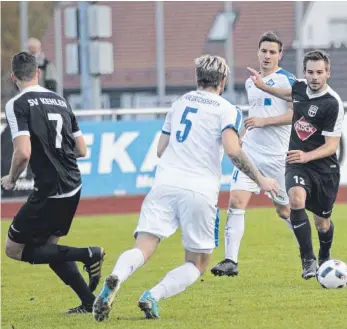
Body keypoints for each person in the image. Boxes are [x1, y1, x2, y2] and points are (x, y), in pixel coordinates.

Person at [92, 54, 280, 322]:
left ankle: (117, 277)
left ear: (197, 78)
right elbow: (232, 150)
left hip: (164, 184)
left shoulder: (180, 103)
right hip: (199, 190)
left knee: (143, 246)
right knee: (198, 263)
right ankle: (153, 295)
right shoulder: (227, 109)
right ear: (223, 81)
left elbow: (159, 149)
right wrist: (260, 179)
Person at [1, 52, 105, 313]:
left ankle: (88, 254)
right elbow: (82, 149)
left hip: (50, 189)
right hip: (73, 185)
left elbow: (22, 152)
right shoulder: (60, 99)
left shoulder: (17, 104)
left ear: (14, 77)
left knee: (14, 249)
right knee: (49, 249)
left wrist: (11, 179)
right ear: (38, 72)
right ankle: (89, 302)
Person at [247, 50, 344, 279]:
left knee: (323, 224)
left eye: (320, 72)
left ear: (328, 73)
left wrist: (307, 156)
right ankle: (308, 260)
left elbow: (331, 147)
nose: (314, 77)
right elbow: (288, 93)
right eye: (310, 72)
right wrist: (263, 86)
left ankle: (324, 255)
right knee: (296, 200)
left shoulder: (332, 103)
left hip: (324, 168)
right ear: (305, 73)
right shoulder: (300, 87)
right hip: (296, 163)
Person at [211, 32, 296, 277]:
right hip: (251, 154)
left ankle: (308, 253)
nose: (267, 56)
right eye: (264, 51)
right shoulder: (251, 82)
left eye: (272, 52)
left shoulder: (287, 81)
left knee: (284, 210)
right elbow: (254, 114)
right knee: (236, 201)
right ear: (258, 52)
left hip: (278, 157)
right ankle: (230, 261)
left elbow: (294, 114)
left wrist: (264, 122)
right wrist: (241, 133)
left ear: (280, 55)